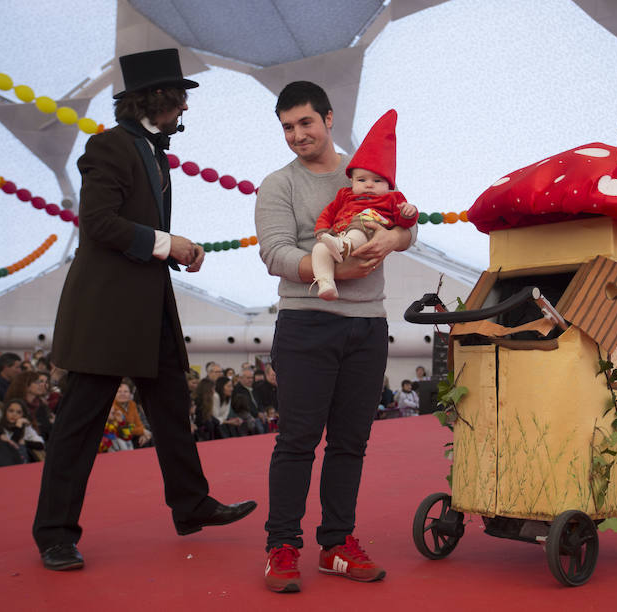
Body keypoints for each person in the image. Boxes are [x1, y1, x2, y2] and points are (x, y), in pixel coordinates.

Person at [32, 48, 256, 572]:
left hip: (149, 308)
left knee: (173, 408)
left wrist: (175, 250)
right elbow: (98, 223)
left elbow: (135, 229)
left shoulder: (154, 152)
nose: (184, 109)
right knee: (80, 425)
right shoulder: (109, 145)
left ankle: (191, 504)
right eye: (179, 98)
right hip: (107, 314)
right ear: (155, 97)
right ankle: (55, 534)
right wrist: (166, 243)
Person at [255, 81, 416, 592]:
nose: (297, 134)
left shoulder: (365, 169)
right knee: (297, 440)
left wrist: (396, 237)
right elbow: (275, 253)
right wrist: (335, 272)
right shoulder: (278, 184)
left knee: (351, 442)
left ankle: (336, 544)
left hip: (368, 325)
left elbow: (408, 219)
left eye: (305, 122)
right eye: (287, 127)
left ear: (328, 118)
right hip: (306, 321)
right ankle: (282, 546)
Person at [310, 109, 418, 300]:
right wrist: (322, 230)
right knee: (319, 249)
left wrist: (408, 213)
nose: (369, 184)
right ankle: (326, 283)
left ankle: (344, 246)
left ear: (389, 185)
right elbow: (328, 213)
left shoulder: (392, 198)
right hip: (338, 236)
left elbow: (404, 223)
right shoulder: (344, 195)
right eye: (362, 180)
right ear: (352, 181)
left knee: (364, 219)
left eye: (377, 181)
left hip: (368, 236)